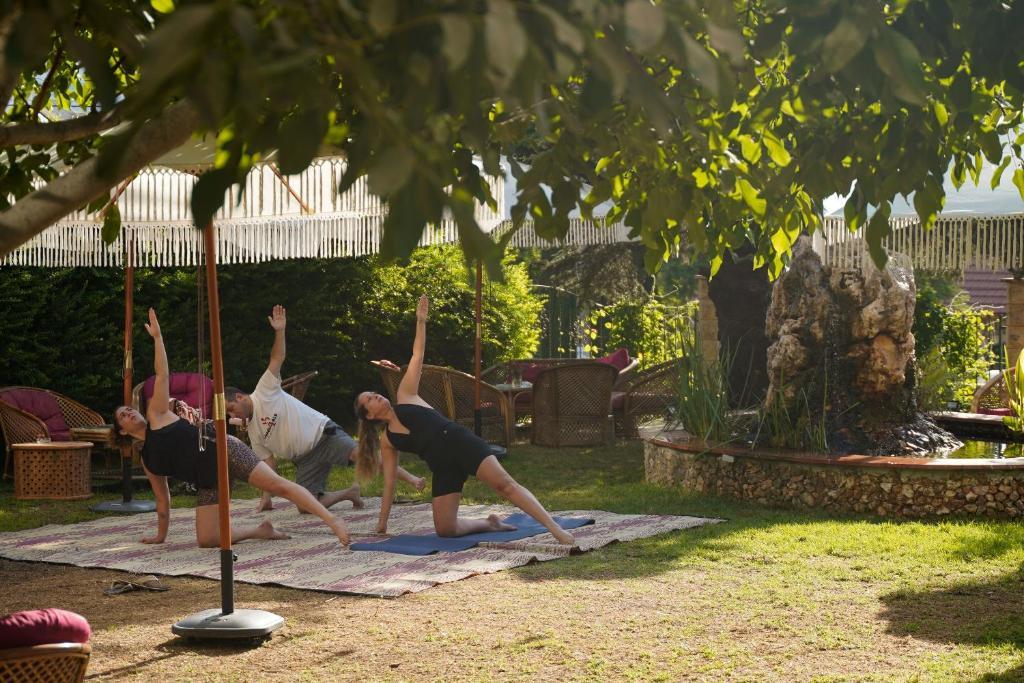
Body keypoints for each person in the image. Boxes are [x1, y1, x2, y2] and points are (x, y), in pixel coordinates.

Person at [114, 308, 351, 548]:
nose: (129, 412)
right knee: (208, 540)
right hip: (208, 480)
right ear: (122, 431)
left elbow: (162, 375)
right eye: (123, 415)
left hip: (224, 450)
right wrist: (160, 536)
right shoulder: (148, 460)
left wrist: (158, 338)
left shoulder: (157, 414)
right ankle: (260, 530)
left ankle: (333, 520)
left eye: (129, 409)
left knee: (278, 485)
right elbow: (162, 498)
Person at [354, 295, 575, 544]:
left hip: (460, 443)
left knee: (504, 485)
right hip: (443, 467)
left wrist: (421, 321)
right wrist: (382, 523)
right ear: (370, 415)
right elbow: (389, 482)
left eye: (373, 393)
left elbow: (417, 355)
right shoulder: (388, 440)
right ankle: (489, 523)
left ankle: (555, 528)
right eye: (369, 399)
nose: (376, 396)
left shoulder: (406, 395)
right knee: (446, 529)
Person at [225, 305, 424, 513]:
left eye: (231, 408)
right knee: (304, 506)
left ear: (239, 397)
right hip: (305, 460)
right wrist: (266, 499)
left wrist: (280, 331)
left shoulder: (264, 389)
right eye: (229, 414)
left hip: (324, 436)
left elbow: (277, 358)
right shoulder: (253, 431)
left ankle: (412, 479)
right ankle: (350, 493)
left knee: (361, 455)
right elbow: (268, 464)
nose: (232, 415)